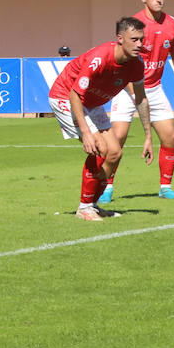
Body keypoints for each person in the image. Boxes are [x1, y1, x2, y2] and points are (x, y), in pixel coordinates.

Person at [99, 0, 174, 204]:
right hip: (127, 89)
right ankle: (106, 187)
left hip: (154, 89)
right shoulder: (133, 24)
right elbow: (122, 59)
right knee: (117, 138)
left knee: (170, 136)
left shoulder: (173, 24)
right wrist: (134, 91)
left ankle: (165, 187)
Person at [48, 18, 150, 221]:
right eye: (134, 39)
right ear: (120, 39)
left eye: (141, 39)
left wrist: (148, 135)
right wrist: (86, 133)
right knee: (100, 148)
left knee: (115, 153)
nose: (140, 44)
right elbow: (75, 94)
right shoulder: (100, 58)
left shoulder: (137, 64)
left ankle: (92, 205)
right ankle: (84, 207)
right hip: (65, 96)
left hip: (92, 103)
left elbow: (141, 98)